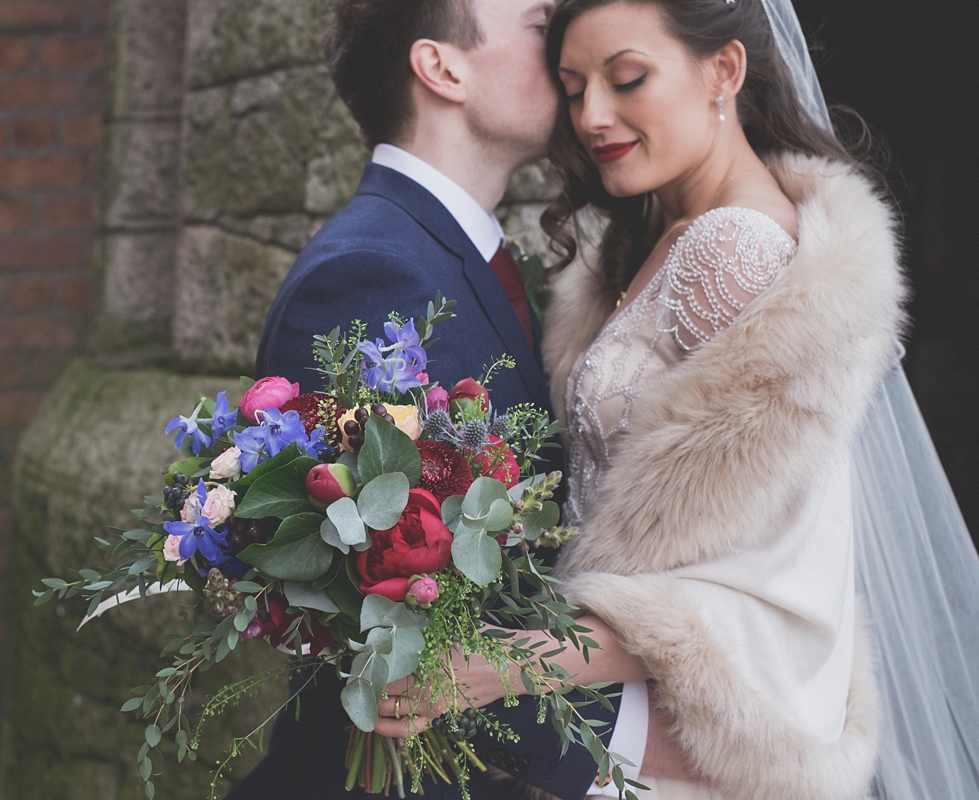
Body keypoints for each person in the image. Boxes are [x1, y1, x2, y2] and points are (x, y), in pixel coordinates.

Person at [378, 1, 979, 800]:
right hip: (622, 728)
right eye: (573, 86)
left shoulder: (736, 253)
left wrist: (514, 665)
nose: (593, 116)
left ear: (724, 71)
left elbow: (763, 587)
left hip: (685, 749)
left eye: (628, 78)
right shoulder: (657, 233)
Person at [231, 1, 668, 798]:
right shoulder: (365, 276)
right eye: (541, 27)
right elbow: (390, 644)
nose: (569, 49)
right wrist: (645, 750)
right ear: (442, 69)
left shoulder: (470, 256)